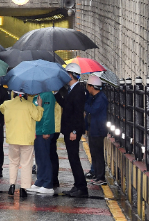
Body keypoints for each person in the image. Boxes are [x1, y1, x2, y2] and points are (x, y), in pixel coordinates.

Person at [0, 91, 43, 199]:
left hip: (13, 139)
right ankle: (23, 188)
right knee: (26, 164)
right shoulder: (30, 105)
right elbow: (38, 117)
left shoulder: (7, 104)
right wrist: (39, 106)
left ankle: (12, 185)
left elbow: (1, 109)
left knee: (13, 162)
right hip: (26, 139)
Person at [55, 62, 88, 197]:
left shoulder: (78, 91)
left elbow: (78, 114)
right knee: (72, 158)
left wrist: (74, 131)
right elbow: (67, 106)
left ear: (71, 75)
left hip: (73, 131)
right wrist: (57, 94)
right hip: (69, 129)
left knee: (74, 159)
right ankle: (77, 185)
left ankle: (82, 187)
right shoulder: (72, 89)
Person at [30, 91, 56, 195]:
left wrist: (46, 131)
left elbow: (48, 114)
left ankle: (48, 184)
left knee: (45, 157)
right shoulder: (38, 95)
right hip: (37, 130)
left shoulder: (48, 95)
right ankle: (40, 180)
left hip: (43, 131)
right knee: (39, 158)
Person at [84, 75, 109, 186]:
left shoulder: (101, 98)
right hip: (94, 129)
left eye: (88, 86)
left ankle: (101, 177)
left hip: (98, 130)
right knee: (94, 153)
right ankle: (96, 175)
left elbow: (93, 110)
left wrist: (83, 105)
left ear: (92, 87)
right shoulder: (95, 97)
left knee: (98, 154)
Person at [49, 96, 63, 192]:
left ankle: (52, 178)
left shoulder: (51, 96)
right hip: (56, 127)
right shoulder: (60, 93)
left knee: (50, 153)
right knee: (53, 153)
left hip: (51, 127)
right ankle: (54, 179)